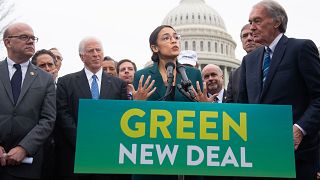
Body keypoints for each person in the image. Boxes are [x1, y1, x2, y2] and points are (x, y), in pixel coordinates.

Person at [238, 0, 320, 179]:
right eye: (250, 22)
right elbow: (242, 106)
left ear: (276, 22)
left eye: (257, 21)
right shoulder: (249, 61)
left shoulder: (301, 48)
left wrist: (300, 128)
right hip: (260, 155)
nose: (251, 27)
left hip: (297, 156)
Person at [132, 25, 207, 180]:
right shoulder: (142, 76)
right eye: (166, 38)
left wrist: (205, 107)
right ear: (154, 47)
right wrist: (137, 104)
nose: (174, 40)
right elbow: (135, 121)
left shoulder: (193, 75)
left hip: (187, 155)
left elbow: (201, 118)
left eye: (175, 37)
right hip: (152, 157)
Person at [55, 37, 129, 180]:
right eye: (91, 51)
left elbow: (121, 116)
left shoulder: (118, 84)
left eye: (98, 50)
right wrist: (83, 141)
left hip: (108, 155)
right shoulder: (66, 82)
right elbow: (64, 115)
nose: (96, 54)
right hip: (76, 154)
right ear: (82, 56)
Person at [0, 22, 56, 180]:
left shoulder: (45, 79)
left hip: (27, 165)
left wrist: (24, 148)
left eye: (33, 38)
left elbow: (48, 120)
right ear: (7, 42)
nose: (31, 41)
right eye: (24, 37)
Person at [226, 24, 261, 103]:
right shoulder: (234, 75)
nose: (249, 38)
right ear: (241, 41)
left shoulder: (269, 63)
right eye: (245, 36)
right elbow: (229, 105)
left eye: (252, 34)